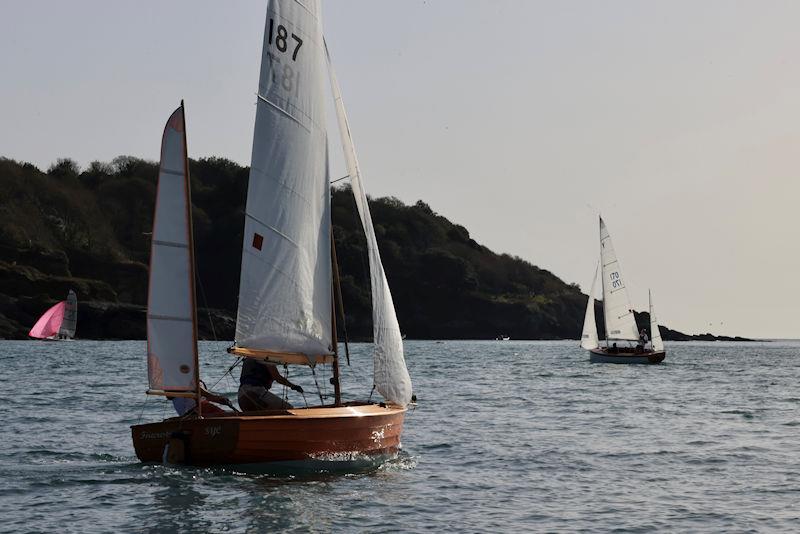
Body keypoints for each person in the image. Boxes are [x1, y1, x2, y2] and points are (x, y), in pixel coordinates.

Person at [238, 358, 304, 412]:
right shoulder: (265, 357)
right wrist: (294, 386)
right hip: (254, 393)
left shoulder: (249, 357)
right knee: (289, 409)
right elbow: (277, 378)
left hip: (241, 396)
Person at [168, 385, 233, 417]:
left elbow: (206, 395)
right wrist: (216, 398)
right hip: (193, 413)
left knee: (231, 414)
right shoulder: (178, 383)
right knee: (226, 415)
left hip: (204, 407)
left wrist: (217, 399)